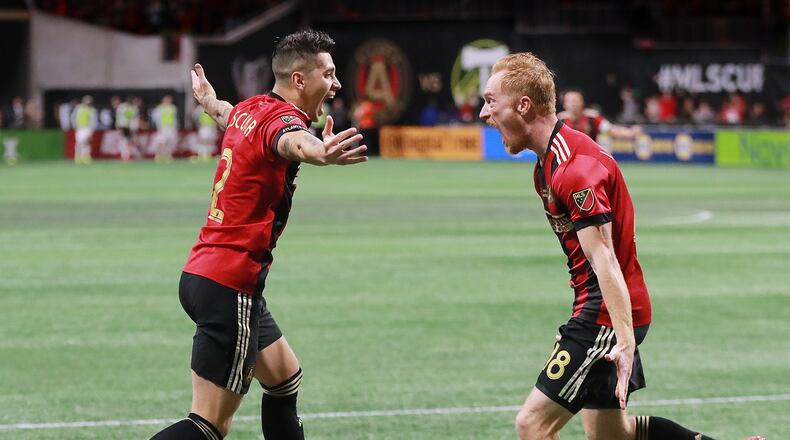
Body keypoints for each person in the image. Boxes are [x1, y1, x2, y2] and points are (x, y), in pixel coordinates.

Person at [479, 52, 763, 440]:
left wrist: (620, 340)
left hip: (608, 315)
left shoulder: (574, 169)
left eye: (490, 101)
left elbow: (604, 258)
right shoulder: (545, 167)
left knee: (531, 425)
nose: (484, 113)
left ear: (523, 105)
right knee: (612, 435)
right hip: (604, 310)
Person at [150, 29, 367, 440]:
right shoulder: (285, 122)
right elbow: (293, 143)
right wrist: (321, 152)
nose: (337, 84)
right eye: (328, 74)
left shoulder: (252, 108)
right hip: (231, 282)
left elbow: (228, 114)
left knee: (284, 377)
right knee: (209, 425)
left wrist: (208, 101)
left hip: (204, 272)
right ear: (299, 80)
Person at [559, 89, 640, 142]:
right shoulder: (559, 120)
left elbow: (611, 130)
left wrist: (629, 133)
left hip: (589, 157)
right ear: (564, 104)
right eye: (570, 101)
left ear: (582, 103)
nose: (574, 104)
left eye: (576, 101)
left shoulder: (592, 118)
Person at [152, 95, 179, 163]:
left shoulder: (173, 108)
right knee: (161, 142)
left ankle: (168, 156)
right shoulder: (160, 108)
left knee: (169, 142)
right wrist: (158, 127)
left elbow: (175, 118)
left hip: (171, 127)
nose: (168, 101)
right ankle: (158, 155)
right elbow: (156, 118)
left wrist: (175, 127)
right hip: (163, 127)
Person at [71, 95, 97, 165]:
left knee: (86, 143)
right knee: (79, 143)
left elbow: (94, 121)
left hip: (87, 128)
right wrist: (74, 126)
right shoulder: (78, 108)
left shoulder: (91, 110)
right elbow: (73, 117)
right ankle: (78, 158)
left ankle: (86, 157)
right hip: (79, 128)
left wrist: (92, 130)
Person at [116, 97, 141, 161]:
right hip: (124, 126)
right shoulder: (122, 107)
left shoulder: (134, 108)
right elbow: (119, 117)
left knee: (128, 142)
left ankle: (128, 155)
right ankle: (125, 156)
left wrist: (134, 128)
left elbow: (135, 119)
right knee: (124, 141)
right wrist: (120, 126)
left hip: (130, 127)